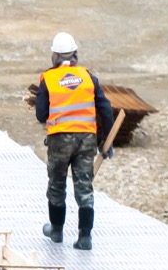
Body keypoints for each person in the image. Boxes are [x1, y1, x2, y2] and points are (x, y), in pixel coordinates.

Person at [35, 32, 114, 250]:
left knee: (57, 184)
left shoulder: (48, 79)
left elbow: (41, 115)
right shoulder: (89, 77)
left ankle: (57, 231)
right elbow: (105, 109)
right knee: (84, 186)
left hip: (59, 140)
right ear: (75, 55)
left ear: (54, 57)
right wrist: (106, 141)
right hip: (86, 139)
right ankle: (85, 237)